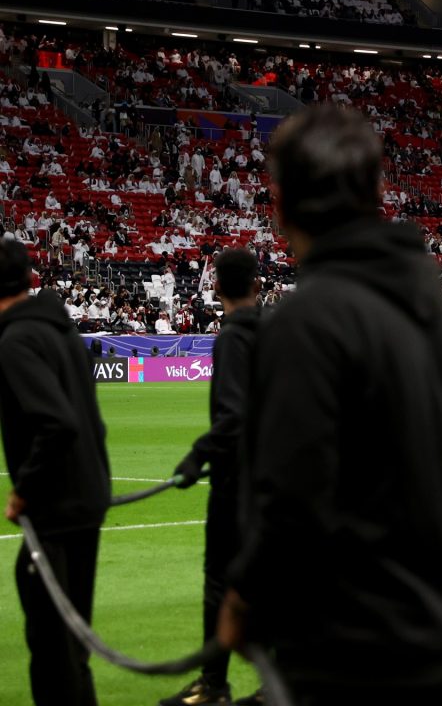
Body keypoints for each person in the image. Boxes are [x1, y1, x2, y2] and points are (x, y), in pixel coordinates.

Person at [217, 107, 442, 704]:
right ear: (373, 192)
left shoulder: (309, 319)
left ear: (280, 204)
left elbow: (291, 494)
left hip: (349, 636)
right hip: (437, 627)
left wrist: (244, 594)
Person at [0, 239, 110, 706]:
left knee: (51, 648)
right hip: (87, 497)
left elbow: (57, 423)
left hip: (56, 506)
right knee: (72, 642)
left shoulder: (16, 340)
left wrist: (23, 490)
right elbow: (90, 420)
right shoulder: (62, 331)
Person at [160, 249, 262, 706]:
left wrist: (197, 454)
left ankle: (214, 684)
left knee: (219, 581)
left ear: (216, 287)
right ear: (257, 286)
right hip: (276, 479)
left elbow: (233, 415)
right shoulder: (277, 334)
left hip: (236, 480)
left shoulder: (233, 337)